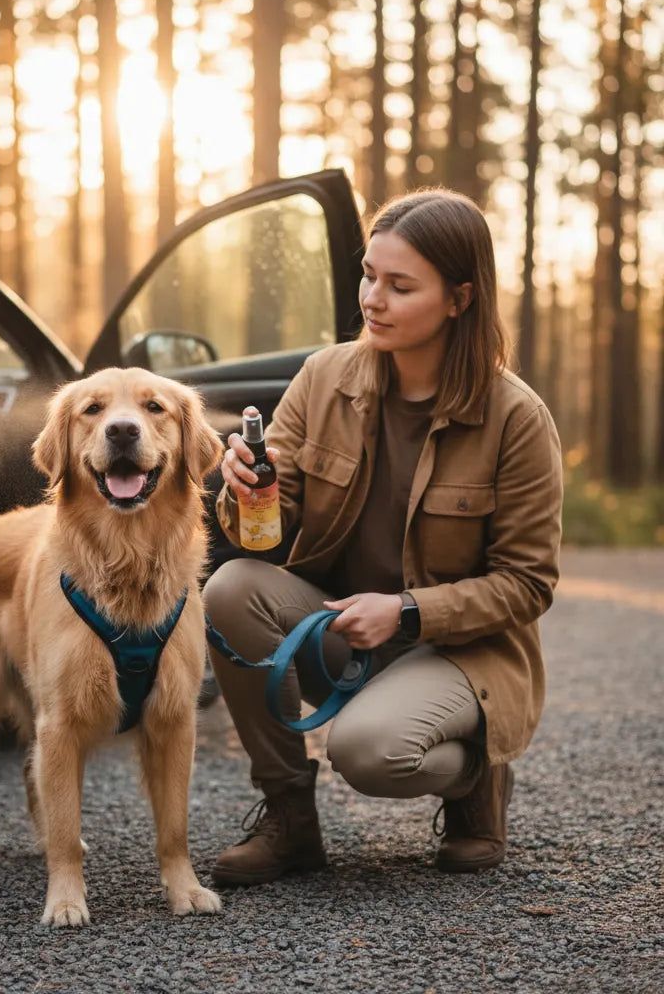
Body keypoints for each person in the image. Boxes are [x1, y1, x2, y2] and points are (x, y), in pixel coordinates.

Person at [203, 189, 563, 885]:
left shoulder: (516, 418)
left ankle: (478, 779)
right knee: (230, 589)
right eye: (370, 276)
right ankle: (289, 821)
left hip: (461, 653)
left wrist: (405, 611)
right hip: (345, 631)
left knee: (368, 754)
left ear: (459, 299)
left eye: (401, 286)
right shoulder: (324, 377)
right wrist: (245, 492)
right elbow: (265, 540)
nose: (373, 299)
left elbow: (527, 584)